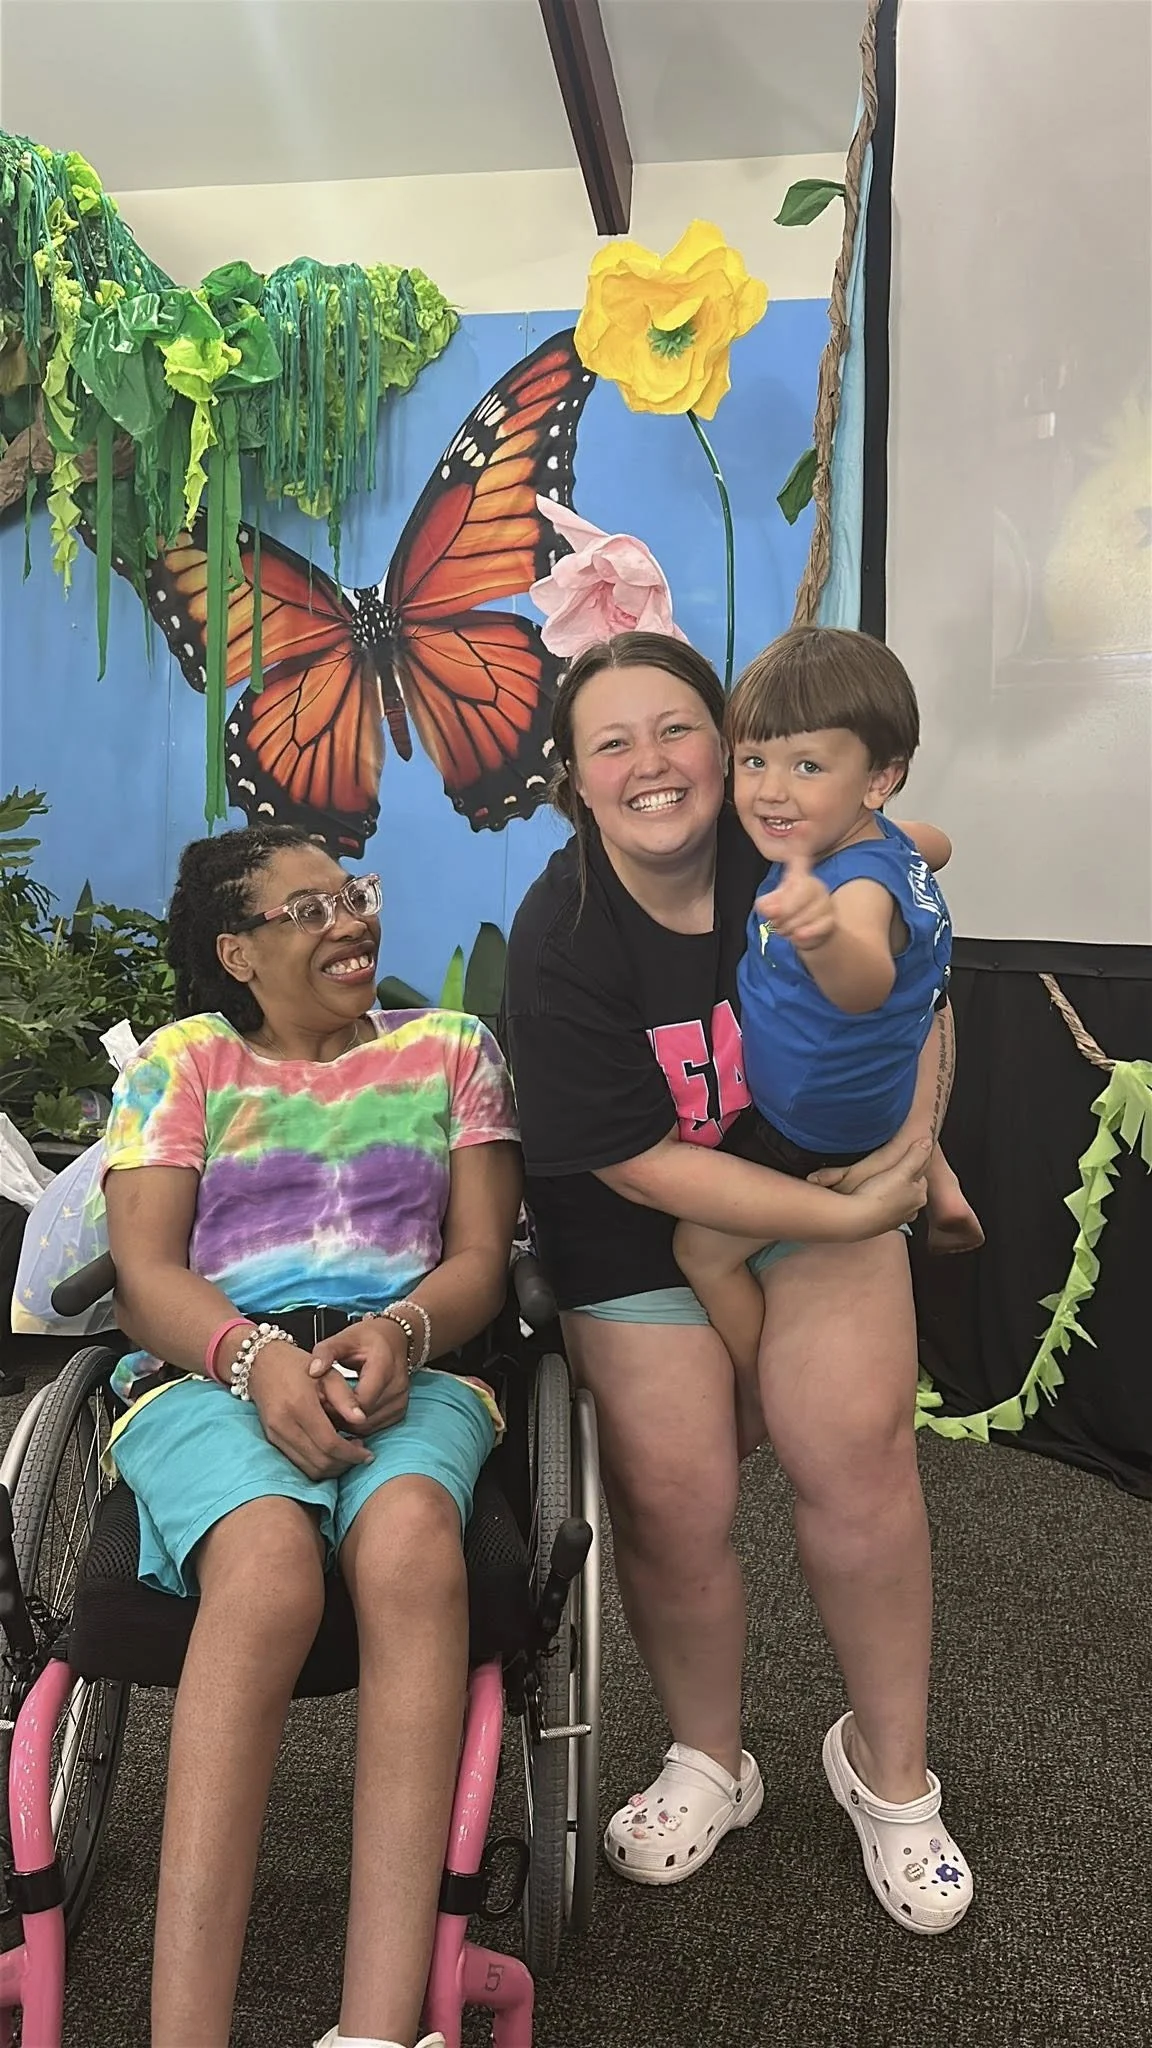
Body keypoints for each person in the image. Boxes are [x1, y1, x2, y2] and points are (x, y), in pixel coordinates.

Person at [503, 630, 974, 1936]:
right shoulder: (562, 937)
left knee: (857, 1453)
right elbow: (639, 1171)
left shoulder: (795, 842)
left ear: (728, 749)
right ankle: (711, 1756)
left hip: (820, 1195)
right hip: (640, 1230)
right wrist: (879, 1196)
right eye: (613, 742)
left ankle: (890, 1775)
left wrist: (914, 1138)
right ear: (577, 779)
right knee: (675, 1492)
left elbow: (921, 968)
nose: (651, 763)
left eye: (677, 729)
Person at [102, 825, 520, 2048]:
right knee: (270, 1569)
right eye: (310, 908)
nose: (351, 921)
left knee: (407, 1549)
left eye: (355, 896)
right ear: (235, 949)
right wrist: (251, 1354)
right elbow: (141, 1275)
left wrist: (401, 1327)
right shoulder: (184, 1064)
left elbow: (485, 1259)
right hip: (206, 1365)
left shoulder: (453, 1052)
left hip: (412, 1355)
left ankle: (378, 2029)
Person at [675, 625, 980, 1384]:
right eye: (753, 762)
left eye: (807, 765)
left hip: (806, 1124)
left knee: (696, 1249)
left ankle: (757, 1382)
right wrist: (903, 841)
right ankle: (939, 1181)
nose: (771, 789)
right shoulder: (883, 845)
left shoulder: (857, 894)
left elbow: (865, 981)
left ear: (879, 778)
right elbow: (936, 844)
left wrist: (821, 935)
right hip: (882, 1075)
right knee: (896, 1039)